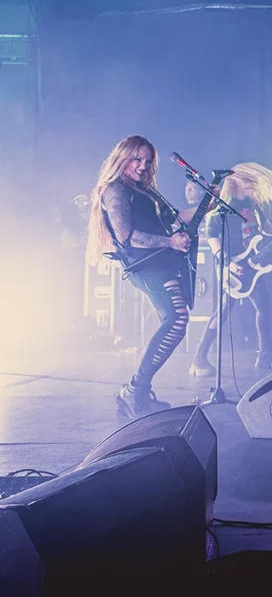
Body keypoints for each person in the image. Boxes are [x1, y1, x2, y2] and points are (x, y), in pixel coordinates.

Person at [86, 136, 188, 418]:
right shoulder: (115, 190)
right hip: (144, 264)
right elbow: (127, 236)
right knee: (176, 319)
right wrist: (171, 243)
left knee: (176, 320)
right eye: (136, 159)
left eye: (147, 161)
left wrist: (214, 202)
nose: (142, 166)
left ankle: (137, 391)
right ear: (122, 158)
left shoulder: (144, 191)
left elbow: (180, 217)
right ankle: (134, 390)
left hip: (158, 263)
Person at [189, 162, 272, 375]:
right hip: (230, 267)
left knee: (264, 306)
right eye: (251, 185)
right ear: (239, 182)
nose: (255, 189)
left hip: (250, 265)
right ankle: (199, 358)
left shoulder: (253, 206)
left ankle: (265, 354)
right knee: (223, 312)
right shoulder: (223, 207)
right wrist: (228, 263)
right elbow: (213, 236)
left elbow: (267, 228)